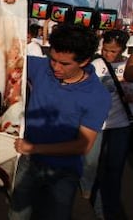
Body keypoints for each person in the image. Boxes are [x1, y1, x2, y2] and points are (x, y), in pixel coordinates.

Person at [8, 22, 111, 220]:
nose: (56, 67)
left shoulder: (98, 96)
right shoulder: (41, 68)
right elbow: (5, 51)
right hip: (28, 164)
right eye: (53, 59)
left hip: (63, 173)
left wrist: (34, 148)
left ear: (84, 61)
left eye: (64, 64)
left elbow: (83, 145)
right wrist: (6, 8)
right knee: (17, 216)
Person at [84, 29, 131, 219]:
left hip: (121, 126)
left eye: (113, 51)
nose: (108, 54)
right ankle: (86, 191)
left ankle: (108, 207)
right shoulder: (96, 64)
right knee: (90, 165)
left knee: (115, 168)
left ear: (122, 49)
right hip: (96, 125)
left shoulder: (130, 65)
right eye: (105, 49)